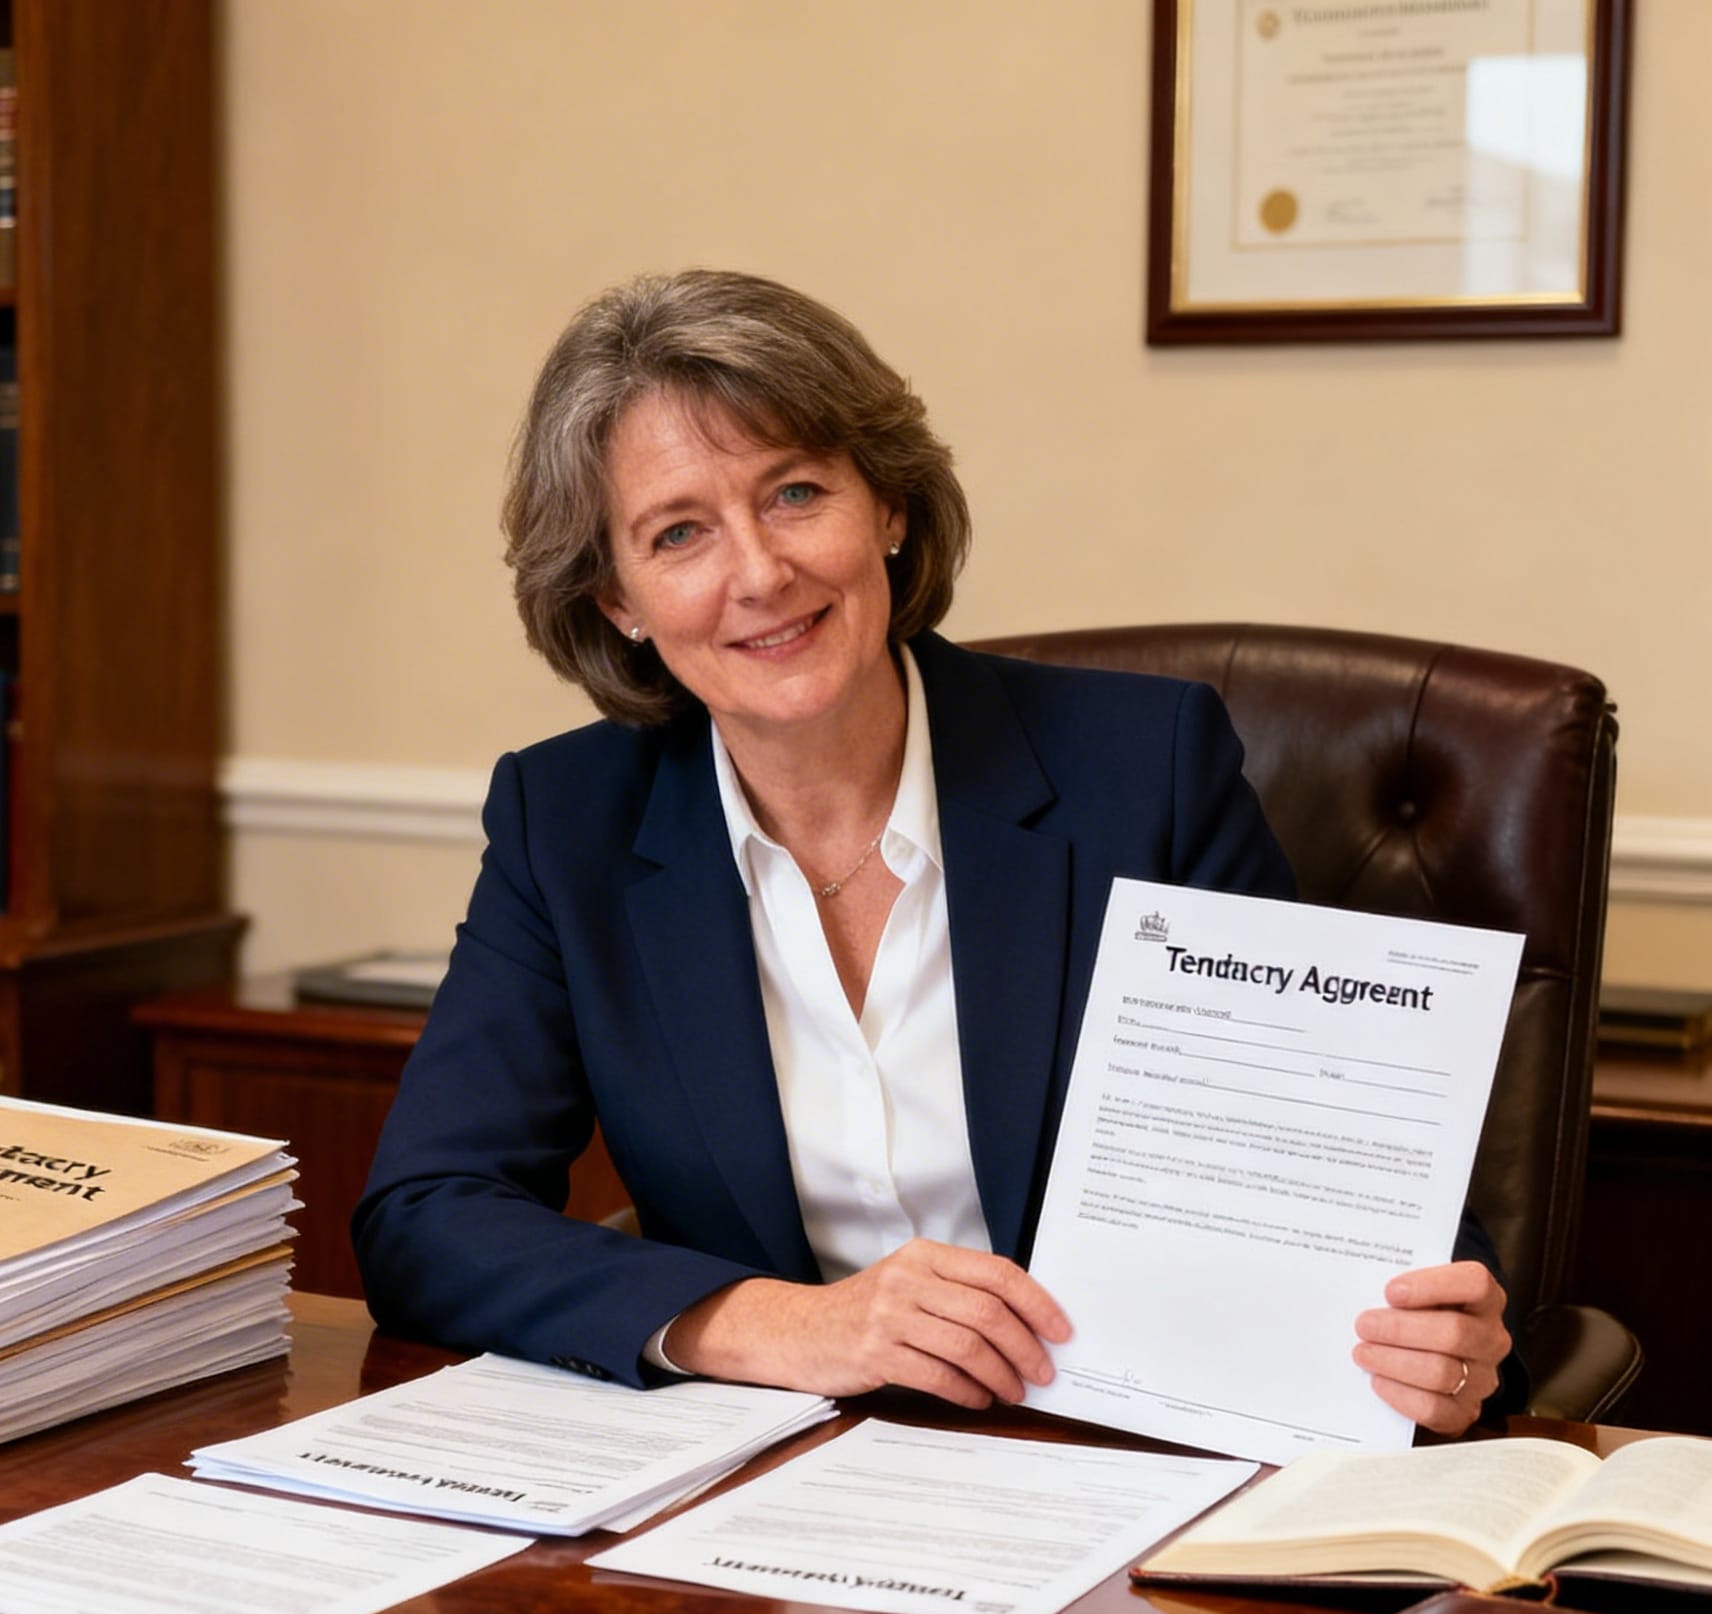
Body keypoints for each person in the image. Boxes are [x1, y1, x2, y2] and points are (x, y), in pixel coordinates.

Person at [353, 270, 1514, 1432]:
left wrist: (1434, 1338)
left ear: (890, 508)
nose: (757, 573)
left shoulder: (1142, 770)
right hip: (767, 1479)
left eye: (795, 491)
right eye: (679, 532)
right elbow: (425, 1214)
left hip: (1114, 1454)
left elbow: (1341, 1176)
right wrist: (780, 1322)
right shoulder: (567, 821)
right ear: (617, 598)